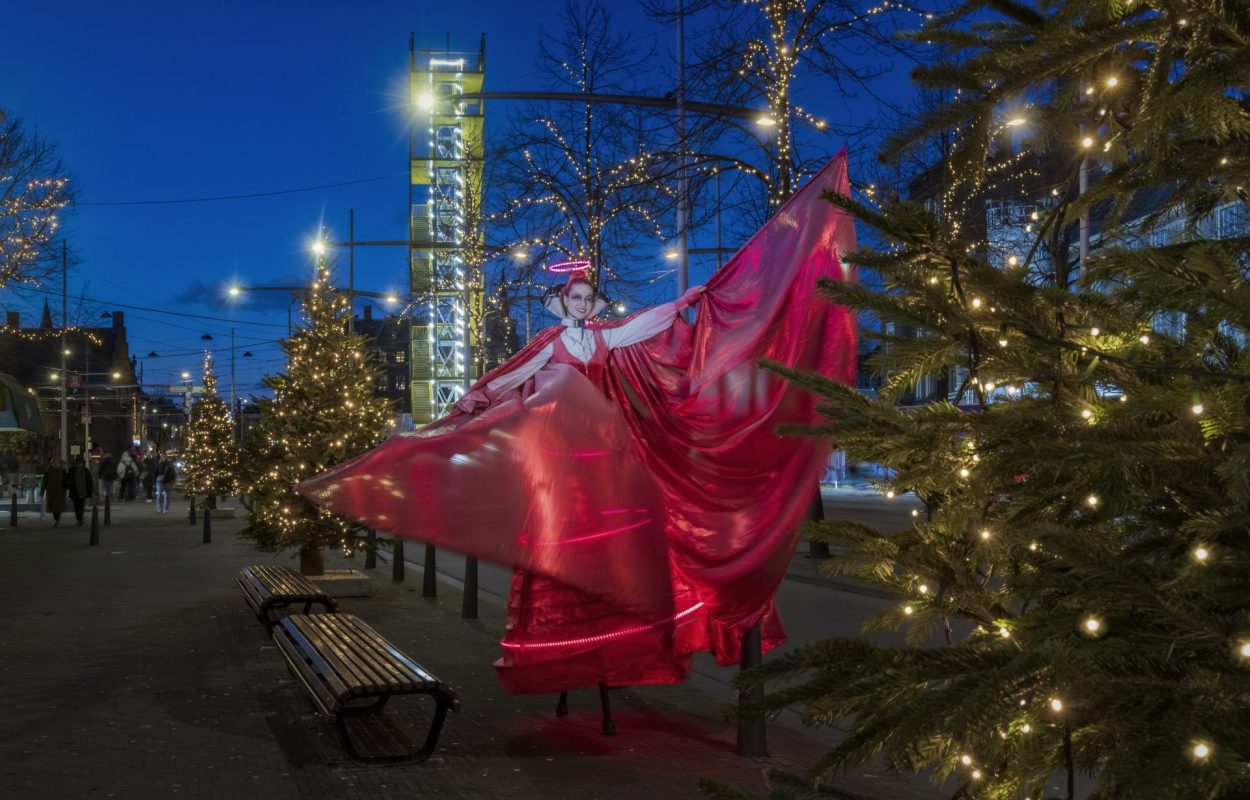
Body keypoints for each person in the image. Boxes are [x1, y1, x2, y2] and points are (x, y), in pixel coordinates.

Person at [299, 152, 857, 729]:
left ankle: (613, 652)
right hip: (560, 467)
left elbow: (650, 323)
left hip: (603, 462)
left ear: (594, 303)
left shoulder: (607, 338)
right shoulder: (550, 344)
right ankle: (560, 658)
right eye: (575, 299)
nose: (583, 305)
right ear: (562, 303)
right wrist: (464, 409)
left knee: (620, 549)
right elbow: (505, 380)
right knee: (564, 554)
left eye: (589, 299)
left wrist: (688, 301)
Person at [66, 455, 93, 527]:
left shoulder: (86, 471)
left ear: (82, 463)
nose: (78, 465)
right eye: (77, 463)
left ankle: (80, 519)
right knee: (76, 506)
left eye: (80, 463)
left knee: (81, 506)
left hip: (83, 491)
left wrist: (91, 490)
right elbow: (67, 480)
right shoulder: (71, 471)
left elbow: (89, 482)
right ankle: (79, 519)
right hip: (75, 492)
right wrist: (68, 486)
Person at [41, 457, 67, 527]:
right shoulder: (48, 471)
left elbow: (66, 481)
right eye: (53, 463)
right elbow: (44, 482)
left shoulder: (62, 471)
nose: (55, 464)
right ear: (51, 464)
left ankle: (57, 519)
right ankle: (56, 519)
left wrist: (67, 488)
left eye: (56, 463)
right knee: (53, 507)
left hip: (60, 491)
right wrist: (42, 491)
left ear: (59, 464)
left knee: (59, 507)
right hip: (51, 492)